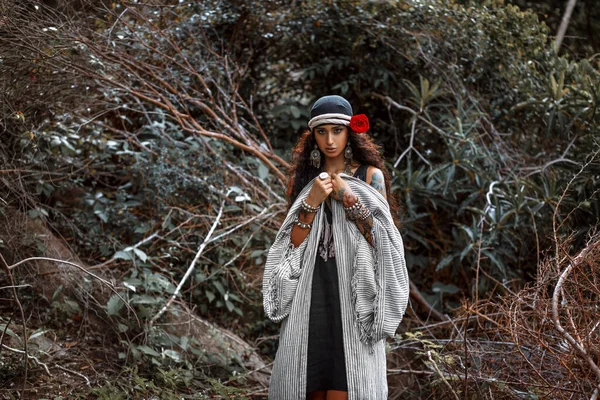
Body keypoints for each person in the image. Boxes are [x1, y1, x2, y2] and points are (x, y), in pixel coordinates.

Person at [262, 95, 409, 400]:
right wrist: (311, 204)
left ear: (349, 133)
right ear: (312, 136)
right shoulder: (304, 181)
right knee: (306, 385)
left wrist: (348, 197)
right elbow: (291, 248)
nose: (330, 140)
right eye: (322, 131)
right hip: (311, 296)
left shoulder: (369, 176)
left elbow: (384, 243)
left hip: (353, 296)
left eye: (337, 131)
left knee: (348, 387)